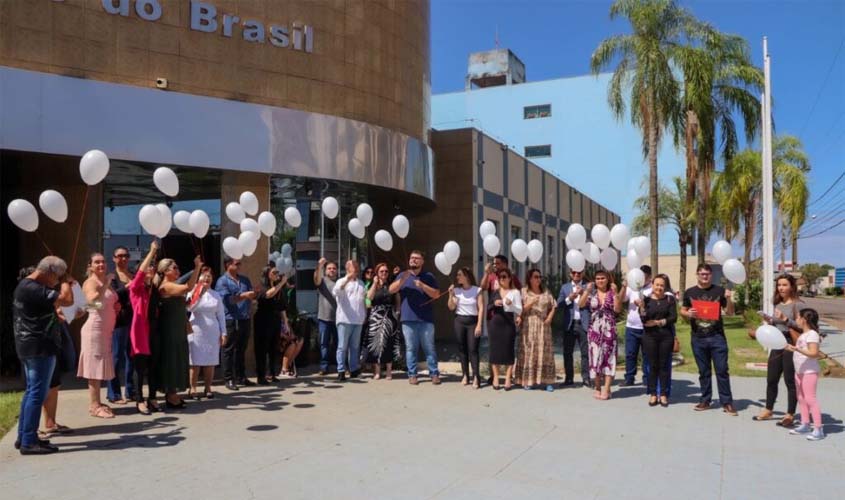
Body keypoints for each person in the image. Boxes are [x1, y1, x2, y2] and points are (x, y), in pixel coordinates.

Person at [13, 257, 74, 454]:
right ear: (48, 271)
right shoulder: (32, 287)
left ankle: (25, 436)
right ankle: (29, 441)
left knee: (32, 392)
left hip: (33, 346)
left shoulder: (28, 286)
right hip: (38, 347)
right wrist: (66, 281)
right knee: (37, 393)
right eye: (56, 277)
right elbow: (67, 299)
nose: (56, 282)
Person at [681, 263, 737, 416]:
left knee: (722, 370)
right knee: (704, 371)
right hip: (698, 337)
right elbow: (683, 310)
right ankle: (705, 400)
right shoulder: (689, 292)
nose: (705, 276)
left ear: (711, 275)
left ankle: (727, 402)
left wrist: (729, 299)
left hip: (717, 337)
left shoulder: (719, 291)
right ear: (697, 274)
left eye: (707, 274)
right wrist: (688, 314)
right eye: (702, 274)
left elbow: (730, 312)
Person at [750, 274, 801, 427]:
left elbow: (802, 327)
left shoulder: (798, 305)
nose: (781, 288)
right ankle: (768, 409)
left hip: (790, 344)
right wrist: (769, 320)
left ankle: (790, 414)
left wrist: (786, 319)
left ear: (791, 286)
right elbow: (777, 325)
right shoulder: (778, 304)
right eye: (779, 285)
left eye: (784, 285)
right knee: (771, 378)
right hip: (777, 343)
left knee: (789, 381)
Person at [154, 256, 203, 408]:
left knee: (178, 358)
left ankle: (173, 393)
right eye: (174, 268)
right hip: (170, 329)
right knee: (171, 360)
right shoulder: (166, 286)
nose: (177, 270)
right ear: (165, 270)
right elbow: (187, 287)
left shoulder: (171, 284)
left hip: (177, 326)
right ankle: (171, 394)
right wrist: (197, 268)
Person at [77, 253, 121, 419]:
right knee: (94, 368)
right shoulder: (91, 282)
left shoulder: (104, 283)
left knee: (100, 366)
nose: (101, 264)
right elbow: (91, 302)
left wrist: (114, 306)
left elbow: (105, 303)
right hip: (94, 329)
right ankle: (94, 406)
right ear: (90, 266)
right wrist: (106, 285)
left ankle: (98, 402)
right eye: (97, 262)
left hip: (105, 330)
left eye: (103, 261)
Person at [389, 250, 441, 386]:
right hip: (408, 318)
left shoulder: (428, 276)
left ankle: (434, 373)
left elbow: (436, 295)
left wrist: (423, 286)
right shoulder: (402, 275)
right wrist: (402, 280)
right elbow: (391, 290)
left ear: (422, 261)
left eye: (417, 258)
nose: (413, 260)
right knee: (411, 348)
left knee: (429, 347)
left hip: (426, 319)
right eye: (412, 258)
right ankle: (412, 375)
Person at [578, 270, 621, 400]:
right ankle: (597, 387)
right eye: (597, 278)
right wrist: (586, 290)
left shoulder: (612, 293)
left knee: (609, 358)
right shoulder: (592, 294)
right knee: (595, 358)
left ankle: (607, 389)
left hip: (609, 328)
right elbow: (580, 305)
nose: (600, 280)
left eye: (602, 278)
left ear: (607, 280)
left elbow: (618, 310)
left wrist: (617, 293)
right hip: (594, 330)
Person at [216, 257, 257, 390]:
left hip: (244, 318)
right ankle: (228, 379)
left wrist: (253, 298)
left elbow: (251, 296)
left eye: (240, 263)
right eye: (237, 263)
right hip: (230, 319)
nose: (240, 266)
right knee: (228, 349)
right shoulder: (222, 281)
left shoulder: (245, 279)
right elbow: (228, 301)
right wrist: (244, 296)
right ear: (228, 265)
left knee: (242, 349)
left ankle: (241, 376)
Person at [127, 240, 159, 414]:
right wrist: (152, 251)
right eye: (148, 267)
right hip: (140, 331)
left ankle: (152, 397)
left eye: (152, 268)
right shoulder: (136, 287)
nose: (150, 269)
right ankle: (139, 400)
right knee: (140, 368)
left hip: (154, 329)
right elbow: (140, 273)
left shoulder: (152, 288)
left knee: (153, 365)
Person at [785, 308, 826, 441]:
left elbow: (814, 353)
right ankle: (805, 424)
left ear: (804, 319)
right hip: (800, 372)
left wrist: (798, 349)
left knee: (810, 399)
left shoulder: (812, 334)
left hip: (809, 372)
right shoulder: (803, 335)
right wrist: (793, 348)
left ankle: (818, 428)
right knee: (801, 398)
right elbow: (803, 351)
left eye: (798, 317)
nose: (796, 319)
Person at [639, 274, 677, 407]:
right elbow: (644, 319)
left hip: (666, 336)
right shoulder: (646, 299)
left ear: (665, 286)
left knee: (664, 366)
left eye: (662, 285)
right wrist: (642, 308)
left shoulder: (670, 299)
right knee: (652, 366)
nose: (659, 287)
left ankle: (664, 394)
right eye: (657, 285)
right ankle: (653, 393)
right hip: (650, 337)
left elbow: (673, 318)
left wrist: (657, 322)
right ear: (652, 285)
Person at [187, 267, 226, 398]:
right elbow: (190, 307)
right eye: (204, 276)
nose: (207, 279)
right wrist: (200, 294)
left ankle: (208, 388)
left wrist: (223, 333)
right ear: (198, 279)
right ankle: (193, 388)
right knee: (195, 361)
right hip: (196, 330)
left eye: (209, 276)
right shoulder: (191, 292)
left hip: (212, 331)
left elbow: (221, 315)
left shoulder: (216, 294)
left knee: (211, 360)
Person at [516, 269, 557, 391]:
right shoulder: (523, 292)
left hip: (544, 326)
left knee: (545, 353)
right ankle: (528, 380)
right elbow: (519, 311)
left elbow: (553, 305)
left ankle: (548, 381)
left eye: (540, 277)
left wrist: (550, 317)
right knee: (530, 352)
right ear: (530, 278)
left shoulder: (545, 291)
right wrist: (530, 303)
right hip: (529, 325)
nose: (538, 279)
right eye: (536, 277)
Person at [364, 263, 403, 380]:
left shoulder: (391, 284)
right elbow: (369, 298)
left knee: (389, 343)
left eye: (386, 271)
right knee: (376, 343)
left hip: (390, 317)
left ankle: (389, 371)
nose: (384, 273)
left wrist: (397, 312)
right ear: (377, 273)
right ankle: (377, 371)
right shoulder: (372, 284)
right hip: (376, 318)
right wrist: (375, 283)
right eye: (381, 271)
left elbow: (397, 299)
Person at [107, 246, 135, 405]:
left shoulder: (132, 274)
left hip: (134, 320)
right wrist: (127, 286)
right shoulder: (110, 277)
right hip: (119, 321)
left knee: (132, 357)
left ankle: (130, 391)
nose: (122, 259)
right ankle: (114, 393)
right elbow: (112, 296)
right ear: (114, 258)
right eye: (119, 256)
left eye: (125, 256)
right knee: (116, 358)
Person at [447, 267, 483, 388]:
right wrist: (450, 295)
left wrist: (479, 324)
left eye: (459, 275)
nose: (457, 277)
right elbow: (451, 307)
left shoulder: (477, 290)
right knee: (462, 349)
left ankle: (476, 377)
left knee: (473, 349)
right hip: (459, 321)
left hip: (473, 322)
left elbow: (481, 308)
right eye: (457, 275)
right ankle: (465, 375)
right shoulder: (456, 290)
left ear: (466, 276)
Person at [487, 268, 522, 390]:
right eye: (500, 277)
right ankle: (496, 377)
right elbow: (488, 308)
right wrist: (494, 303)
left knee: (508, 350)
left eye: (504, 277)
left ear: (509, 278)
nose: (501, 279)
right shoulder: (495, 292)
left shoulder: (515, 292)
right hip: (495, 323)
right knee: (494, 350)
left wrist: (511, 304)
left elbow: (519, 310)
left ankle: (508, 378)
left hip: (508, 322)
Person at [254, 266, 289, 384]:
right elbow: (268, 294)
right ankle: (261, 376)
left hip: (275, 319)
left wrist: (286, 323)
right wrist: (282, 283)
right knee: (262, 349)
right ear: (267, 274)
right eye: (274, 272)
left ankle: (271, 373)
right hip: (263, 319)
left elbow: (282, 307)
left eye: (277, 272)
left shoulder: (278, 288)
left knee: (273, 348)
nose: (276, 274)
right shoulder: (261, 286)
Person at [332, 260, 367, 381]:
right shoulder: (341, 281)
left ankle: (353, 369)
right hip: (344, 319)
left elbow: (363, 301)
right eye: (354, 266)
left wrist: (364, 315)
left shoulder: (361, 283)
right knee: (342, 346)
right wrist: (347, 279)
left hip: (358, 320)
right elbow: (336, 292)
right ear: (347, 268)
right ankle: (341, 370)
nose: (356, 268)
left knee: (355, 347)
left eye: (357, 266)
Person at [619, 265, 652, 386]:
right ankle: (629, 377)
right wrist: (623, 287)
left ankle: (647, 378)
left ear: (649, 277)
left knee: (647, 354)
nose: (642, 280)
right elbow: (621, 300)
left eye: (645, 277)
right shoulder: (632, 287)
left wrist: (643, 304)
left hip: (647, 327)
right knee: (630, 354)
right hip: (631, 326)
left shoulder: (652, 289)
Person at [557, 268, 591, 387]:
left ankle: (586, 378)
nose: (577, 274)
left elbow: (595, 303)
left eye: (579, 272)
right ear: (570, 274)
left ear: (583, 273)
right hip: (570, 324)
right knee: (567, 352)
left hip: (584, 323)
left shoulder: (588, 287)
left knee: (585, 353)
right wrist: (568, 299)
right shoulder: (565, 287)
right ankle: (569, 378)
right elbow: (559, 304)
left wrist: (585, 294)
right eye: (574, 272)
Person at [313, 258, 338, 375]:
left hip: (339, 319)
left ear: (337, 271)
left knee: (339, 344)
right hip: (324, 318)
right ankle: (324, 367)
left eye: (334, 268)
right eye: (329, 268)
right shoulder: (322, 281)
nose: (332, 270)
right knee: (324, 344)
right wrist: (319, 266)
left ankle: (340, 367)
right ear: (325, 270)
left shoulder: (340, 283)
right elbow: (316, 279)